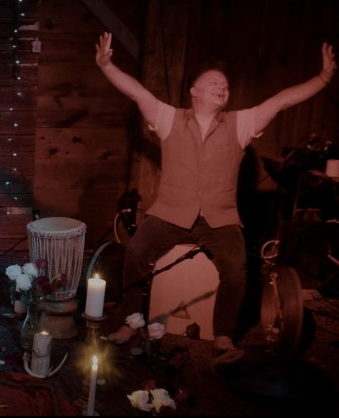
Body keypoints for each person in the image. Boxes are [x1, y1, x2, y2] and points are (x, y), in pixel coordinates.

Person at [96, 32, 335, 352]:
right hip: (170, 212)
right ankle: (130, 322)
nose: (222, 87)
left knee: (237, 268)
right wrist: (106, 65)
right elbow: (138, 93)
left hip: (220, 218)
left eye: (225, 85)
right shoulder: (170, 118)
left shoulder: (241, 123)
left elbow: (281, 101)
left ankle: (224, 333)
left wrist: (323, 77)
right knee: (136, 252)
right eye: (214, 82)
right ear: (194, 91)